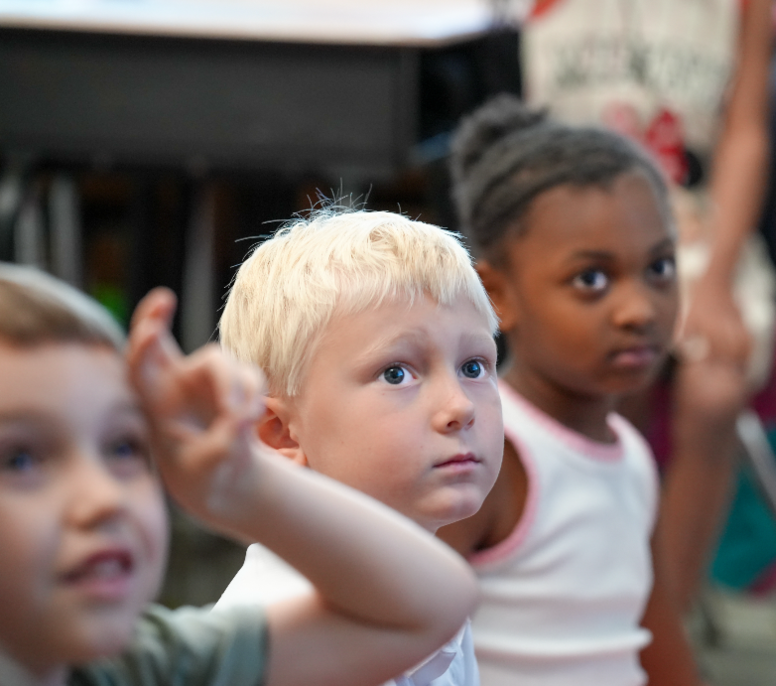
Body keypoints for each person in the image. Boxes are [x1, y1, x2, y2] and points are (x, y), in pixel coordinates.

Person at [0, 262, 480, 686]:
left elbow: (437, 606)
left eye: (124, 447)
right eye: (19, 459)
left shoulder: (142, 666)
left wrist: (244, 484)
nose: (104, 498)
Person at [521, 0, 776, 613]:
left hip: (689, 231)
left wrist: (715, 281)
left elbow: (746, 137)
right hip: (564, 228)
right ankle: (589, 616)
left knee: (713, 392)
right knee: (612, 372)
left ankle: (664, 635)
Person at [439, 95, 704, 686]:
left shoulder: (631, 459)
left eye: (659, 268)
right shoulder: (485, 454)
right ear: (497, 294)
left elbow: (657, 639)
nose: (639, 309)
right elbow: (396, 643)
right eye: (592, 279)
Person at [213, 209, 505, 686]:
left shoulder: (423, 585)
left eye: (474, 367)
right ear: (281, 433)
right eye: (397, 373)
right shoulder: (289, 638)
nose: (458, 406)